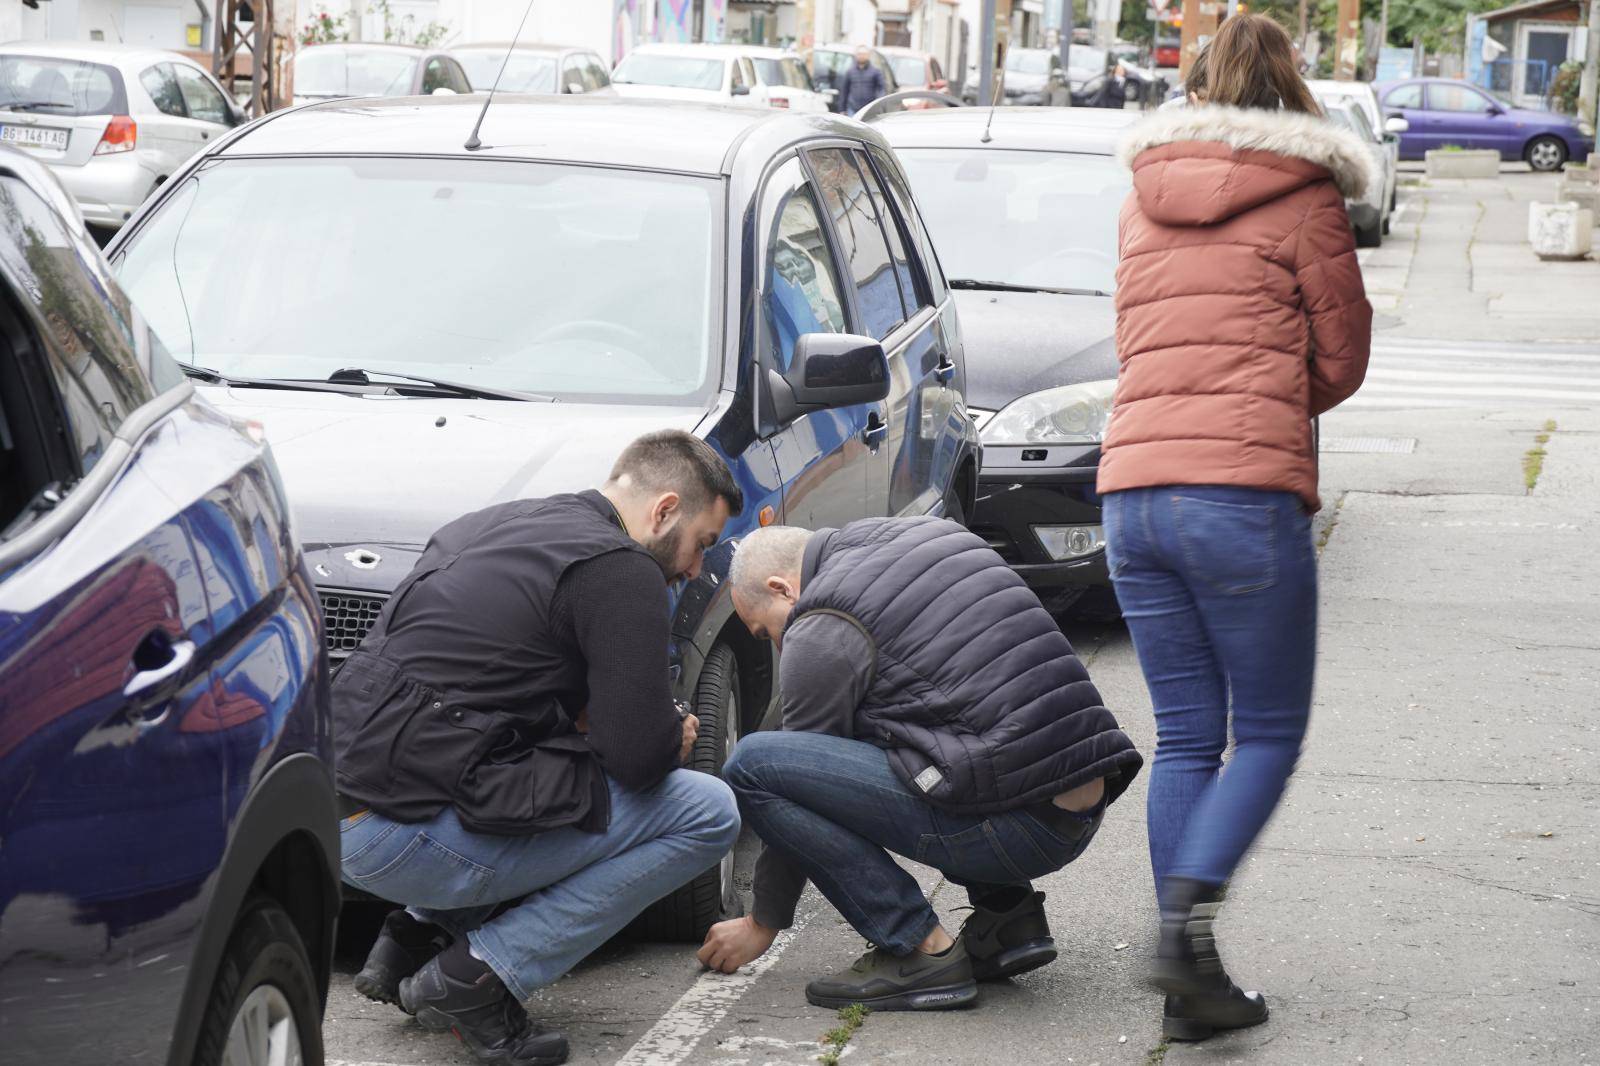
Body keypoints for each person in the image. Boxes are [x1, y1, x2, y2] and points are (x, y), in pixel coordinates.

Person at [1102, 14, 1372, 1043]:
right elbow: (1340, 357)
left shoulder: (1141, 195)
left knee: (1185, 736)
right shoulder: (1303, 195)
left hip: (1130, 490)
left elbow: (1136, 333)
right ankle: (1182, 932)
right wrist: (1265, 398)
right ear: (1290, 84)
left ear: (1197, 81)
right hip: (1240, 498)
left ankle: (1191, 986)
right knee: (1263, 732)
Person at [333, 430, 745, 1066]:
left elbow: (487, 682)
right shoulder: (621, 570)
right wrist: (673, 733)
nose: (694, 569)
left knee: (548, 778)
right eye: (701, 545)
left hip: (331, 807)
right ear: (664, 510)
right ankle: (479, 976)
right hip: (398, 833)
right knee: (706, 809)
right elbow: (635, 759)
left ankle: (414, 938)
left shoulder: (492, 521)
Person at [696, 519, 1144, 1011]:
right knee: (927, 716)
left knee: (754, 764)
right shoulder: (927, 534)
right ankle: (1008, 920)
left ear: (783, 588)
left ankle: (918, 948)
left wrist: (764, 922)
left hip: (1018, 828)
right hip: (1082, 800)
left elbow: (797, 781)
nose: (778, 647)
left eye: (767, 629)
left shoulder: (822, 621)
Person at [835, 45, 887, 115]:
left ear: (868, 55)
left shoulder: (876, 72)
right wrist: (842, 109)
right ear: (856, 55)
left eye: (864, 54)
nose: (861, 56)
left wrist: (878, 104)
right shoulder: (850, 72)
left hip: (869, 109)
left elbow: (881, 89)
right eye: (859, 54)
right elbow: (844, 91)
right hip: (852, 109)